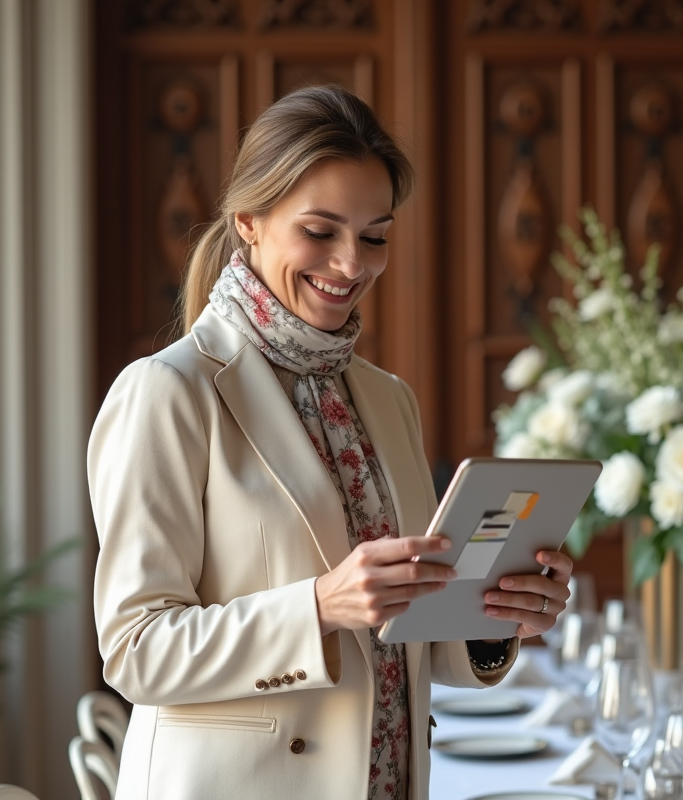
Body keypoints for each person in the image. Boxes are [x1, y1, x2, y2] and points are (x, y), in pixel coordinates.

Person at [88, 84, 574, 800]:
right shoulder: (168, 391)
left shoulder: (388, 399)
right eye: (321, 232)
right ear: (249, 221)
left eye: (374, 235)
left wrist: (493, 616)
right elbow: (136, 650)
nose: (352, 263)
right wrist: (318, 605)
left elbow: (409, 633)